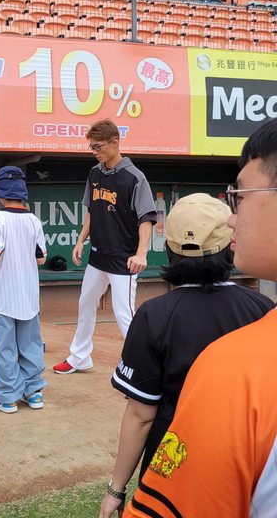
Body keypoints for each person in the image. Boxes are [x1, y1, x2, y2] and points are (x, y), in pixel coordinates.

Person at [123, 118, 277, 518]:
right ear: (225, 247)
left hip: (170, 466)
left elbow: (140, 414)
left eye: (239, 197)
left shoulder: (156, 315)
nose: (233, 217)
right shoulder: (261, 308)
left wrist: (114, 489)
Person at [53, 119, 156, 375]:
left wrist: (141, 253)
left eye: (97, 146)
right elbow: (92, 211)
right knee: (85, 303)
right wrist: (80, 240)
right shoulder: (95, 173)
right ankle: (80, 357)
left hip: (124, 259)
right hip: (98, 257)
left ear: (115, 142)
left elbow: (146, 218)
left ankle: (144, 367)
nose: (94, 151)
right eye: (91, 147)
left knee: (124, 313)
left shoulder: (135, 177)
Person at [0, 166, 47, 414]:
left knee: (5, 347)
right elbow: (41, 259)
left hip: (3, 297)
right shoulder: (33, 220)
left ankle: (7, 396)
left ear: (0, 194)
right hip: (28, 296)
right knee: (30, 346)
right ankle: (33, 392)